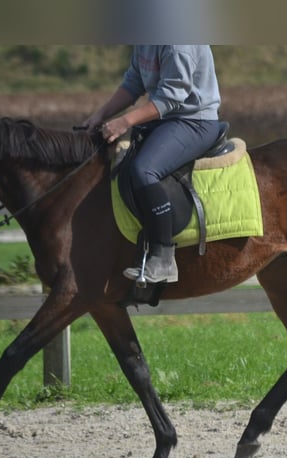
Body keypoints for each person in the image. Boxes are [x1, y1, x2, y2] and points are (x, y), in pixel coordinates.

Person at [81, 45, 222, 284]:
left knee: (144, 170)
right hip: (164, 120)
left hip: (194, 121)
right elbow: (133, 83)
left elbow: (172, 96)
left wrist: (124, 122)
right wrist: (100, 115)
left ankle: (164, 259)